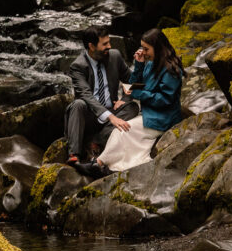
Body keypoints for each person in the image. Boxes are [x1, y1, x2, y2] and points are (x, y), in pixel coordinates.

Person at [78, 27, 184, 176]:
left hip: (163, 117)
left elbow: (164, 100)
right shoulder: (150, 63)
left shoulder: (171, 69)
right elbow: (135, 83)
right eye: (142, 48)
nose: (143, 52)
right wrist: (139, 65)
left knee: (122, 131)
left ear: (158, 47)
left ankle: (99, 164)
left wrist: (138, 93)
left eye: (146, 49)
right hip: (149, 113)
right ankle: (102, 163)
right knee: (122, 131)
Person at [64, 25, 137, 165]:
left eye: (109, 42)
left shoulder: (114, 56)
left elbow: (134, 81)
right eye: (105, 44)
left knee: (132, 107)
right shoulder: (77, 67)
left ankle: (96, 142)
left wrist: (125, 98)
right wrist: (111, 117)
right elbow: (86, 95)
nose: (109, 46)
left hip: (112, 111)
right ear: (91, 46)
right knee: (78, 104)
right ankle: (74, 154)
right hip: (90, 116)